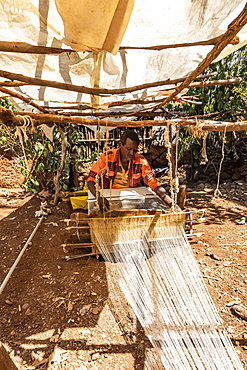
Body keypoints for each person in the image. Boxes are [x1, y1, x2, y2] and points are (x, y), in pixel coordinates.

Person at [87, 130, 178, 212]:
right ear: (120, 145)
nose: (131, 153)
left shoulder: (140, 161)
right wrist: (99, 197)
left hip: (130, 197)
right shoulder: (107, 157)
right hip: (107, 195)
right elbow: (91, 179)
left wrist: (171, 203)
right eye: (129, 149)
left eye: (134, 150)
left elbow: (152, 182)